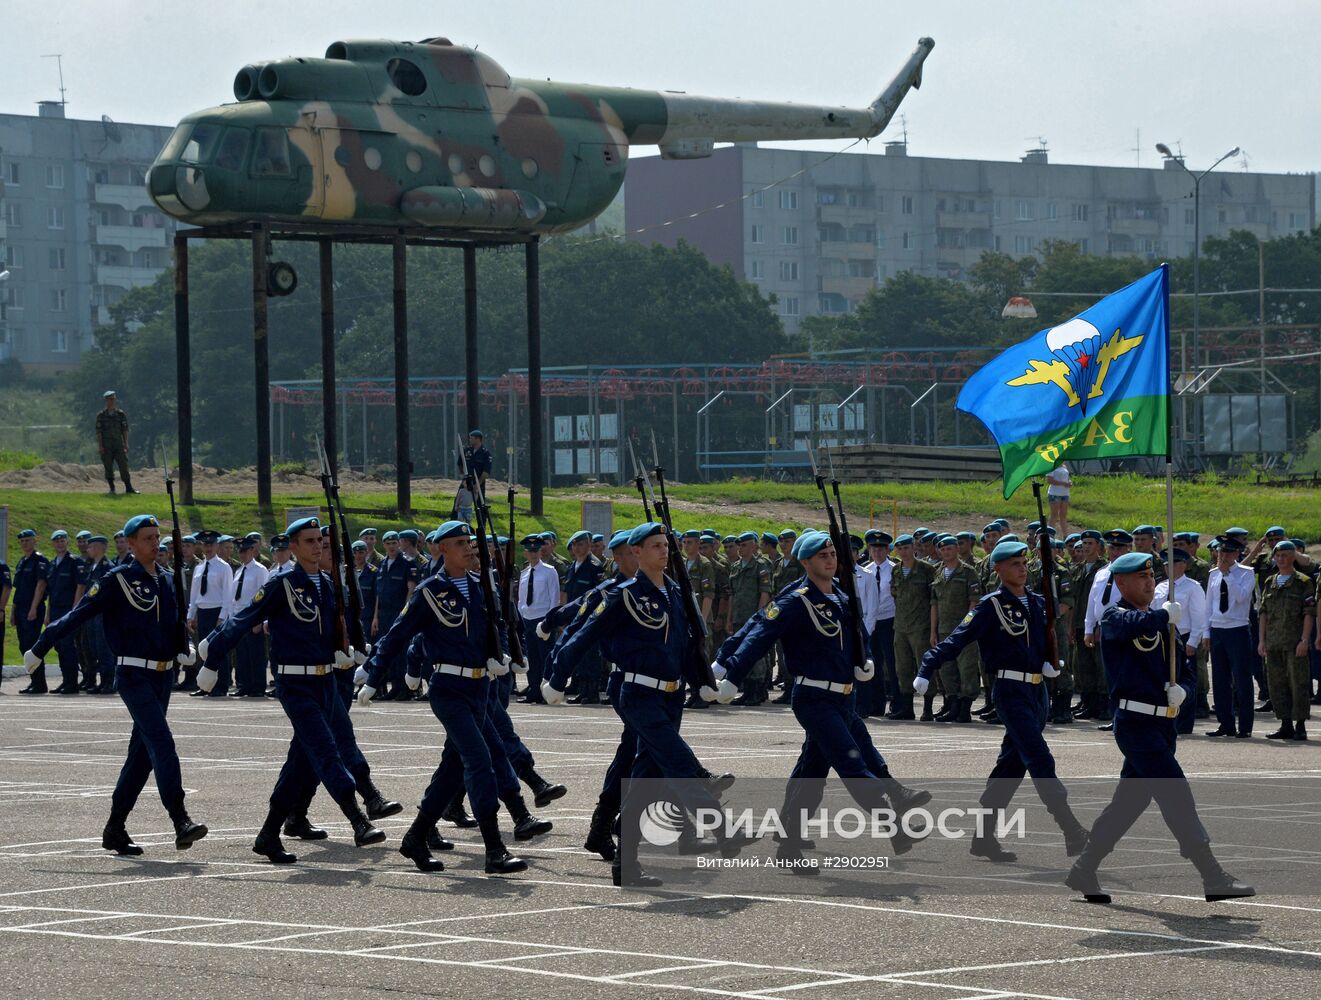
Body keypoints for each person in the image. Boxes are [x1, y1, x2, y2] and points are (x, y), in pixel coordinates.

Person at [546, 521, 747, 886]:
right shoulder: (623, 595)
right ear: (636, 553)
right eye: (654, 546)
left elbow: (687, 647)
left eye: (664, 545)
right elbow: (582, 636)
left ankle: (626, 863)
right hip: (638, 693)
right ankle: (718, 819)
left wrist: (704, 682)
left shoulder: (674, 593)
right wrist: (557, 678)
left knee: (644, 781)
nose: (663, 550)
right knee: (677, 759)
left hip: (672, 696)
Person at [716, 530, 931, 869]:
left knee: (811, 773)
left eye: (832, 555)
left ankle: (788, 845)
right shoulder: (796, 601)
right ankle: (895, 825)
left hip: (844, 698)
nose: (830, 560)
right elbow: (759, 633)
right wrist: (731, 672)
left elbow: (858, 634)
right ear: (805, 562)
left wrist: (866, 660)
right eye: (822, 556)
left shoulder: (841, 599)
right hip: (814, 697)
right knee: (851, 762)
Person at [1065, 551, 1254, 904]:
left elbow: (1184, 666)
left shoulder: (1164, 623)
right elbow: (1127, 626)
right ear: (1121, 582)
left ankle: (1084, 868)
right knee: (1176, 793)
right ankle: (1213, 876)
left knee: (1127, 804)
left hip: (1161, 725)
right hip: (1134, 723)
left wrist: (1183, 688)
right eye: (1141, 577)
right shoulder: (1114, 615)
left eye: (1152, 576)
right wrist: (1160, 616)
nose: (1150, 582)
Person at [200, 516, 385, 865]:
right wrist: (213, 658)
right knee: (326, 750)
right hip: (295, 683)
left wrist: (353, 649)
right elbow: (244, 617)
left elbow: (335, 628)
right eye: (310, 541)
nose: (317, 546)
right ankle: (358, 820)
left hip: (325, 681)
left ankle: (269, 834)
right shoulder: (281, 583)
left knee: (300, 764)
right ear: (294, 547)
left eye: (320, 540)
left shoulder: (327, 585)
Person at [24, 515, 205, 854]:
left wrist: (186, 647)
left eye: (157, 537)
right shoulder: (118, 580)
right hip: (134, 675)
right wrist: (41, 644)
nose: (156, 543)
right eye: (147, 538)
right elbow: (78, 613)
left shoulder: (167, 580)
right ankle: (180, 819)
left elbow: (173, 624)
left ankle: (115, 828)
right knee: (162, 742)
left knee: (141, 757)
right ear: (131, 544)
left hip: (162, 677)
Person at [357, 520, 527, 876]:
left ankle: (416, 837)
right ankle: (494, 849)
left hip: (480, 689)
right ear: (441, 550)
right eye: (460, 543)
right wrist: (373, 675)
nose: (469, 548)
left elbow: (500, 627)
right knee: (480, 761)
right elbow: (398, 633)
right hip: (448, 689)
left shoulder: (482, 587)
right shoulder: (430, 591)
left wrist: (506, 656)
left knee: (452, 771)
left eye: (470, 542)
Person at [919, 540, 1089, 863]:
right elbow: (957, 639)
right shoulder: (990, 606)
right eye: (1013, 564)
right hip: (1010, 692)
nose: (1022, 568)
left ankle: (983, 837)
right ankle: (1071, 830)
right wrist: (929, 664)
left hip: (1037, 694)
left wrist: (1048, 663)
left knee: (1009, 767)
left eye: (1024, 562)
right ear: (997, 569)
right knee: (1039, 758)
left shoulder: (1039, 603)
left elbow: (1045, 641)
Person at [1258, 540, 1315, 741]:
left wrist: (1305, 639)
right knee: (1276, 684)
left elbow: (1309, 613)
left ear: (1293, 557)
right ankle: (1285, 724)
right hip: (1273, 642)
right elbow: (1263, 613)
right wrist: (1261, 641)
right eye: (1278, 556)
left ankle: (1300, 725)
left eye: (1285, 556)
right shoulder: (1269, 581)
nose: (1281, 559)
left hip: (1294, 642)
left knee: (1298, 683)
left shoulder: (1303, 582)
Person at [1152, 548, 1207, 736]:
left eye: (1174, 564)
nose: (1169, 568)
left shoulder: (1193, 587)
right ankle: (1168, 719)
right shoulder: (1160, 587)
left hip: (1184, 636)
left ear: (1183, 565)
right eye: (1166, 564)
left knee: (1185, 680)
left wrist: (1193, 641)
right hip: (1163, 637)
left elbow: (1199, 616)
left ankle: (1184, 723)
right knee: (1165, 679)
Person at [1206, 535, 1256, 739]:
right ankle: (1225, 723)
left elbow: (1241, 597)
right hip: (1218, 628)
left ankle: (1245, 725)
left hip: (1238, 628)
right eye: (1220, 552)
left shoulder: (1246, 573)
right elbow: (1209, 604)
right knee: (1220, 679)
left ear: (1237, 554)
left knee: (1242, 679)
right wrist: (1206, 632)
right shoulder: (1213, 574)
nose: (1223, 556)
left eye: (1227, 552)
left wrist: (1228, 575)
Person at [930, 534, 982, 723]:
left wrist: (966, 626)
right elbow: (934, 604)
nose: (946, 552)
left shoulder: (968, 572)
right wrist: (933, 631)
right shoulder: (938, 573)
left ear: (957, 549)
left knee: (966, 668)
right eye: (943, 549)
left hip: (963, 629)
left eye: (950, 548)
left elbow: (974, 602)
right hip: (943, 629)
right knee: (946, 669)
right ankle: (953, 705)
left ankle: (965, 707)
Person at [29, 530, 85, 694]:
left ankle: (72, 682)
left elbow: (80, 586)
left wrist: (75, 610)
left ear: (67, 542)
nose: (60, 543)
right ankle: (65, 681)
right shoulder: (52, 565)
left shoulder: (74, 562)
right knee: (59, 646)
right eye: (57, 541)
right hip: (55, 611)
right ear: (53, 544)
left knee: (68, 646)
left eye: (62, 541)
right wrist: (47, 614)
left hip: (69, 610)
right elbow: (51, 592)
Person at [890, 533, 936, 721]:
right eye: (900, 549)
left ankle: (928, 708)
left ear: (913, 548)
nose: (904, 552)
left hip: (921, 626)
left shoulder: (926, 569)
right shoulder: (896, 571)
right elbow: (895, 594)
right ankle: (907, 708)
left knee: (924, 666)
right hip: (901, 625)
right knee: (903, 667)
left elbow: (933, 598)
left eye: (907, 547)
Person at [184, 529, 233, 693]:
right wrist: (191, 615)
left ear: (217, 545)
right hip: (203, 612)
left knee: (218, 650)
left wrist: (222, 617)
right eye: (205, 544)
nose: (208, 548)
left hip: (217, 611)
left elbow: (228, 595)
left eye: (211, 544)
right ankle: (205, 685)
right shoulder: (200, 567)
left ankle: (221, 685)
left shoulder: (224, 567)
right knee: (203, 651)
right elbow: (194, 595)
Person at [857, 529, 897, 718]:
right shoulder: (867, 570)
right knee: (875, 665)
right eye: (874, 548)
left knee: (892, 663)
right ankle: (876, 704)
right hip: (870, 623)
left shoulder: (895, 569)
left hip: (889, 620)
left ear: (888, 550)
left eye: (881, 548)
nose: (878, 552)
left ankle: (896, 703)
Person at [517, 534, 561, 703]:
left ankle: (545, 693)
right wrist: (522, 616)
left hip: (543, 620)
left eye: (536, 550)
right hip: (528, 619)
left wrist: (549, 623)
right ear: (525, 553)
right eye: (530, 551)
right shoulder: (524, 573)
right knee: (532, 658)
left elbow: (554, 599)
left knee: (545, 658)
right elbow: (521, 599)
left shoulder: (550, 572)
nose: (534, 554)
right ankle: (533, 690)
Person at [227, 537, 270, 698]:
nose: (242, 554)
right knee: (242, 654)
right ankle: (244, 685)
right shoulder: (239, 571)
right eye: (240, 551)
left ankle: (258, 686)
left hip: (253, 617)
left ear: (253, 550)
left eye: (245, 551)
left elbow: (264, 597)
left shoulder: (260, 570)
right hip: (239, 618)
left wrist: (260, 620)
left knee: (256, 654)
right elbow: (233, 598)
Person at [14, 529, 51, 694]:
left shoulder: (39, 560)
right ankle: (34, 681)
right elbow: (18, 589)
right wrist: (13, 611)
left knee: (32, 646)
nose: (25, 543)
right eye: (22, 541)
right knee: (24, 646)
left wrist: (34, 608)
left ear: (35, 541)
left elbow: (41, 585)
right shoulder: (22, 561)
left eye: (28, 540)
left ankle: (40, 683)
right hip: (21, 608)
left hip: (32, 608)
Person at [96, 390, 139, 495]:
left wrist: (126, 443)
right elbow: (99, 432)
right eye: (110, 399)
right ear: (106, 400)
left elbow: (124, 430)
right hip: (106, 445)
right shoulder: (101, 416)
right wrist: (100, 446)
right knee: (108, 467)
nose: (112, 401)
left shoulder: (120, 414)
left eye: (113, 399)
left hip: (118, 444)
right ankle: (112, 488)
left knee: (123, 466)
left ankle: (129, 488)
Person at [1046, 464, 1070, 538]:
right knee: (1054, 514)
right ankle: (1049, 534)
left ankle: (1065, 535)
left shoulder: (1064, 466)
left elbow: (1065, 478)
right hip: (1055, 493)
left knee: (1063, 515)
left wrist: (1069, 482)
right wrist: (1063, 483)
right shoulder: (1052, 466)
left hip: (1065, 493)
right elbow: (1049, 480)